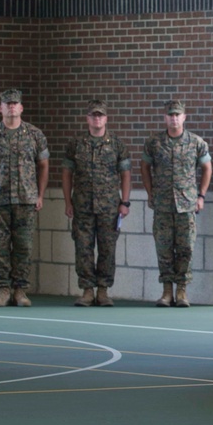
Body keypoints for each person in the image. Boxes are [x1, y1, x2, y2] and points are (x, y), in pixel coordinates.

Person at [0, 89, 49, 307]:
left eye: (15, 103)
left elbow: (43, 166)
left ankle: (20, 291)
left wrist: (40, 195)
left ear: (21, 107)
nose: (11, 107)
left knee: (23, 247)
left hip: (26, 200)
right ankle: (3, 290)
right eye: (7, 103)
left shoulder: (35, 135)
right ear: (1, 108)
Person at [141, 100, 212, 307]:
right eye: (170, 115)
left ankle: (181, 291)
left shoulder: (196, 142)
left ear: (184, 117)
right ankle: (166, 292)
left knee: (185, 249)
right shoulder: (154, 143)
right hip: (162, 205)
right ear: (165, 117)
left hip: (187, 205)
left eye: (177, 115)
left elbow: (207, 168)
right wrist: (150, 192)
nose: (174, 118)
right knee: (163, 249)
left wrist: (201, 196)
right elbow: (144, 167)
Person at [62, 99, 132, 307]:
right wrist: (68, 201)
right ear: (87, 119)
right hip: (82, 206)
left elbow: (126, 175)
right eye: (93, 115)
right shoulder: (75, 145)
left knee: (107, 249)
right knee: (83, 248)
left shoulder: (118, 145)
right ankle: (86, 291)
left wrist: (125, 202)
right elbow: (67, 174)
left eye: (100, 115)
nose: (97, 118)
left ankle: (103, 290)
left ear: (106, 118)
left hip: (109, 208)